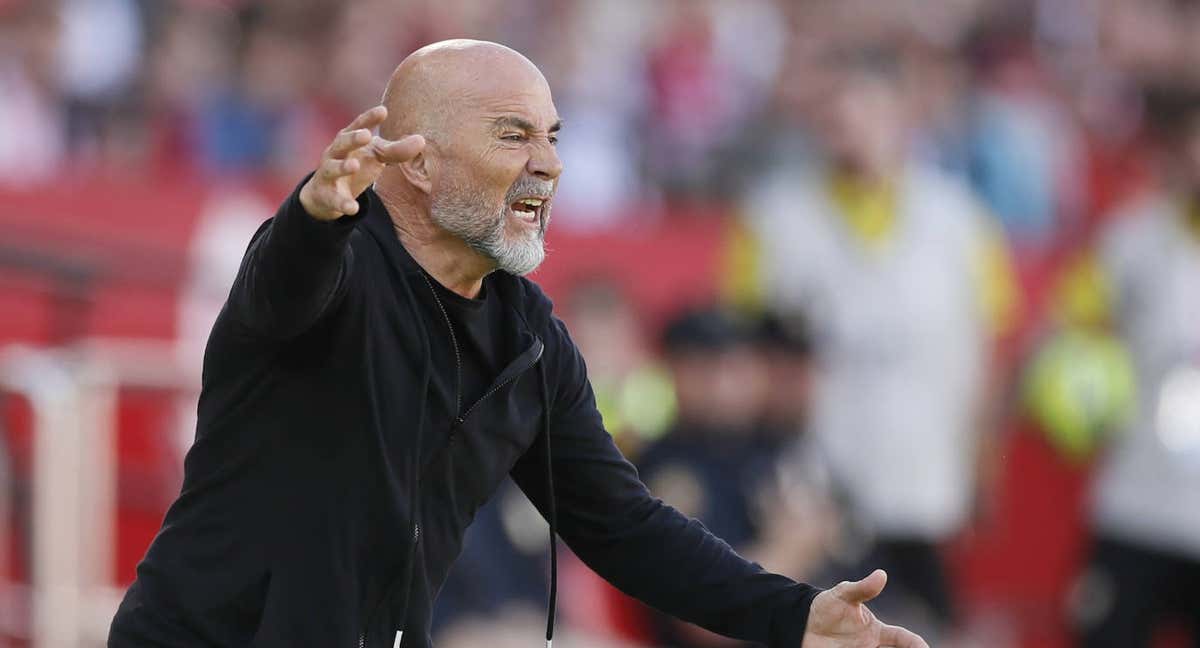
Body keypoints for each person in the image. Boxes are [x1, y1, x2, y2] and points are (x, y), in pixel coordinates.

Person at [107, 39, 928, 648]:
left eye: (554, 136)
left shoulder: (530, 336)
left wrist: (792, 614)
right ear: (418, 163)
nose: (550, 166)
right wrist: (313, 216)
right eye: (513, 135)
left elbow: (623, 525)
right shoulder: (335, 262)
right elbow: (283, 289)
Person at [744, 46, 1016, 642]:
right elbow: (748, 352)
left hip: (924, 474)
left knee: (926, 627)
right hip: (816, 479)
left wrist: (982, 465)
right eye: (835, 116)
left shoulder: (961, 221)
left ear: (902, 114)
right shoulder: (774, 217)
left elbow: (989, 346)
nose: (850, 131)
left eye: (864, 112)